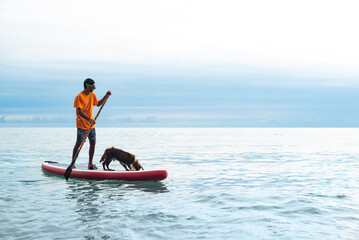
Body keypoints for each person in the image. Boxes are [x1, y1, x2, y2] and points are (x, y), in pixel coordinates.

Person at [72, 78, 111, 170]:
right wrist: (89, 119)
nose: (94, 88)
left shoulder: (92, 95)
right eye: (93, 86)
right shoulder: (79, 96)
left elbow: (98, 104)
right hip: (82, 124)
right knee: (79, 143)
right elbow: (79, 112)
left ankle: (90, 164)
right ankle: (72, 163)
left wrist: (106, 96)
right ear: (87, 86)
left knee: (93, 143)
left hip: (91, 125)